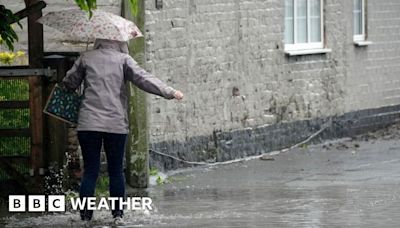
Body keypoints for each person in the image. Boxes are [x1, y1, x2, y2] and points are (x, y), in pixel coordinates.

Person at [60, 38, 184, 221]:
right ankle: (117, 216)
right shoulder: (124, 59)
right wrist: (169, 92)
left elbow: (69, 83)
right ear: (120, 42)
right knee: (116, 171)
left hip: (88, 124)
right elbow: (143, 78)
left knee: (90, 171)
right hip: (115, 124)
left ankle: (85, 218)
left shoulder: (86, 58)